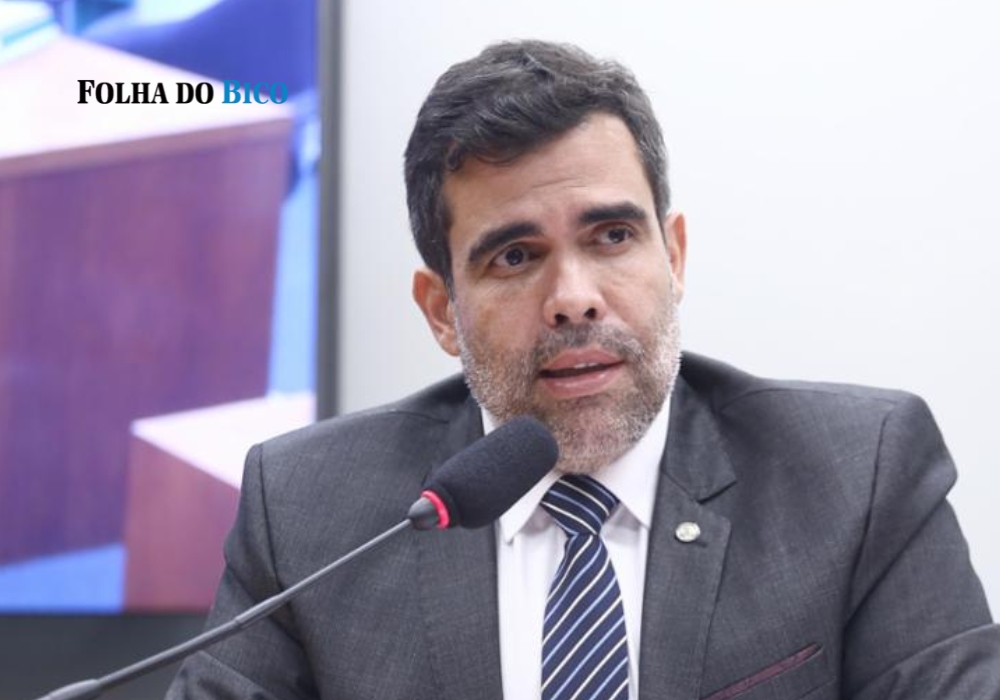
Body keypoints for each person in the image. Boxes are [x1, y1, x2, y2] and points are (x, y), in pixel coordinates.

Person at [167, 40, 1000, 699]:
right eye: (515, 255)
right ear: (440, 310)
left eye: (612, 237)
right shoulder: (312, 512)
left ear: (673, 256)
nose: (574, 300)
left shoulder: (856, 476)